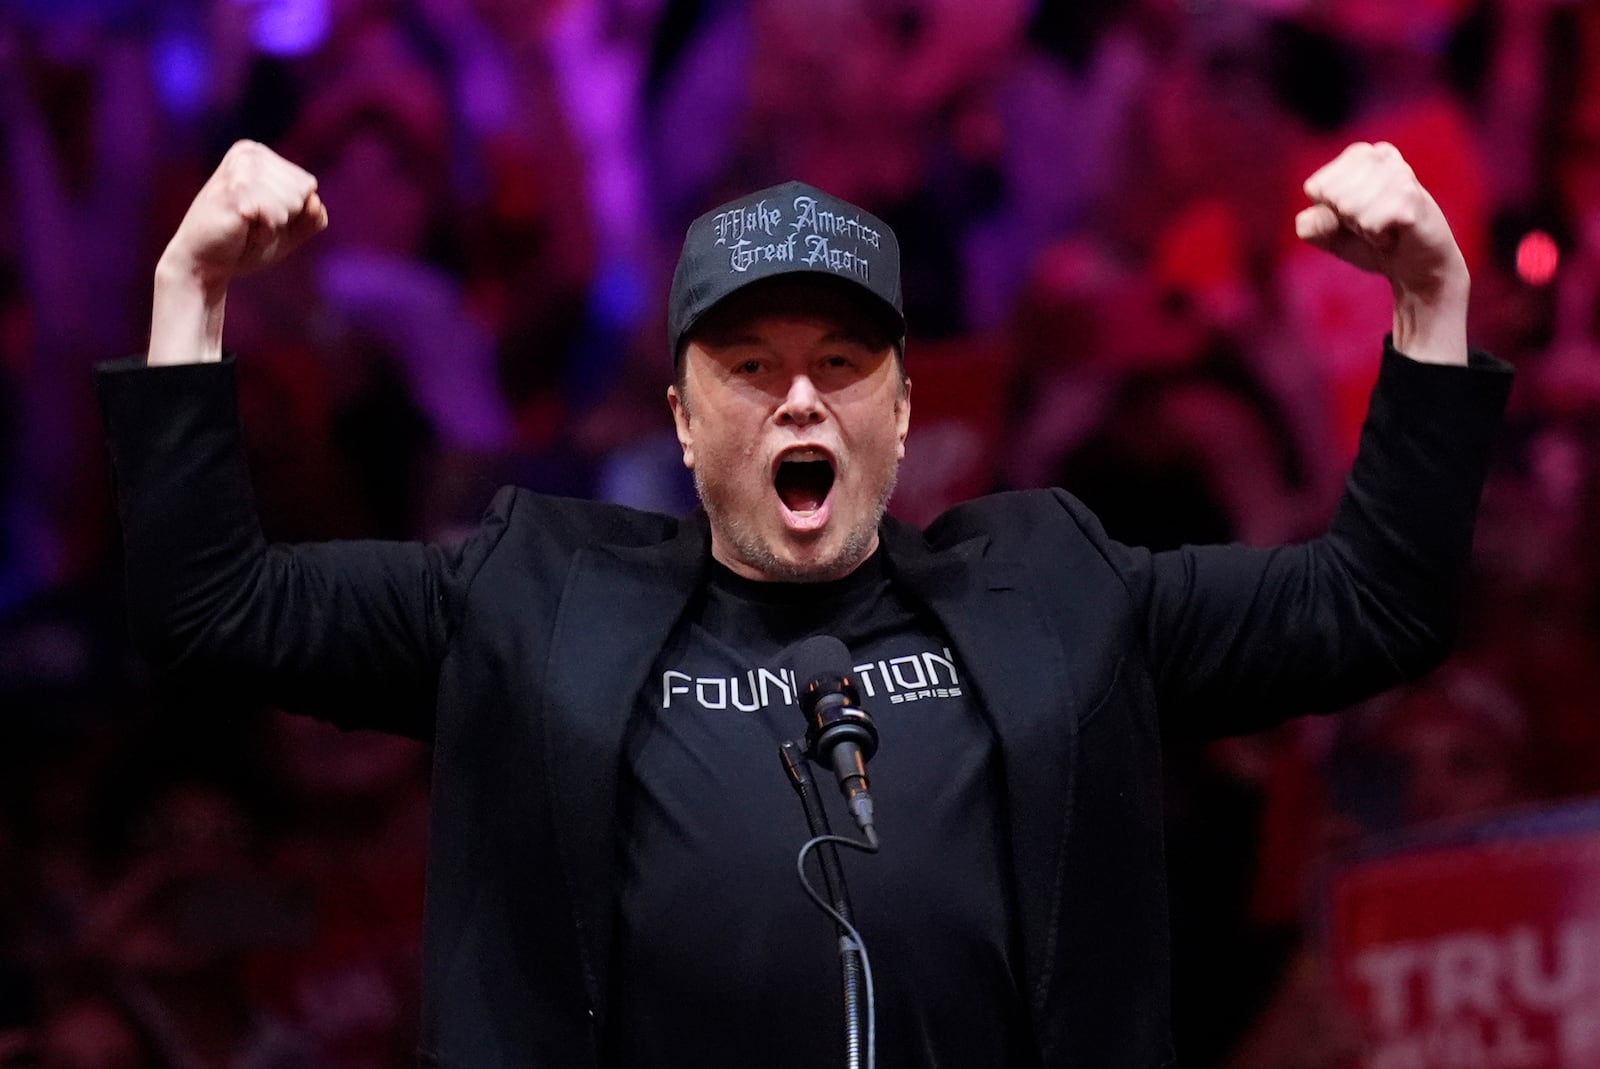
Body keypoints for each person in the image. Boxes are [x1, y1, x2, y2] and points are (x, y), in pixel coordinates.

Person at [97, 138, 1511, 1067]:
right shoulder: (529, 598)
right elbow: (211, 603)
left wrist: (1431, 302)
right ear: (681, 412)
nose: (796, 396)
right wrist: (190, 292)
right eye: (747, 363)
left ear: (901, 412)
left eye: (841, 361)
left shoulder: (1060, 587)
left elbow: (1375, 602)